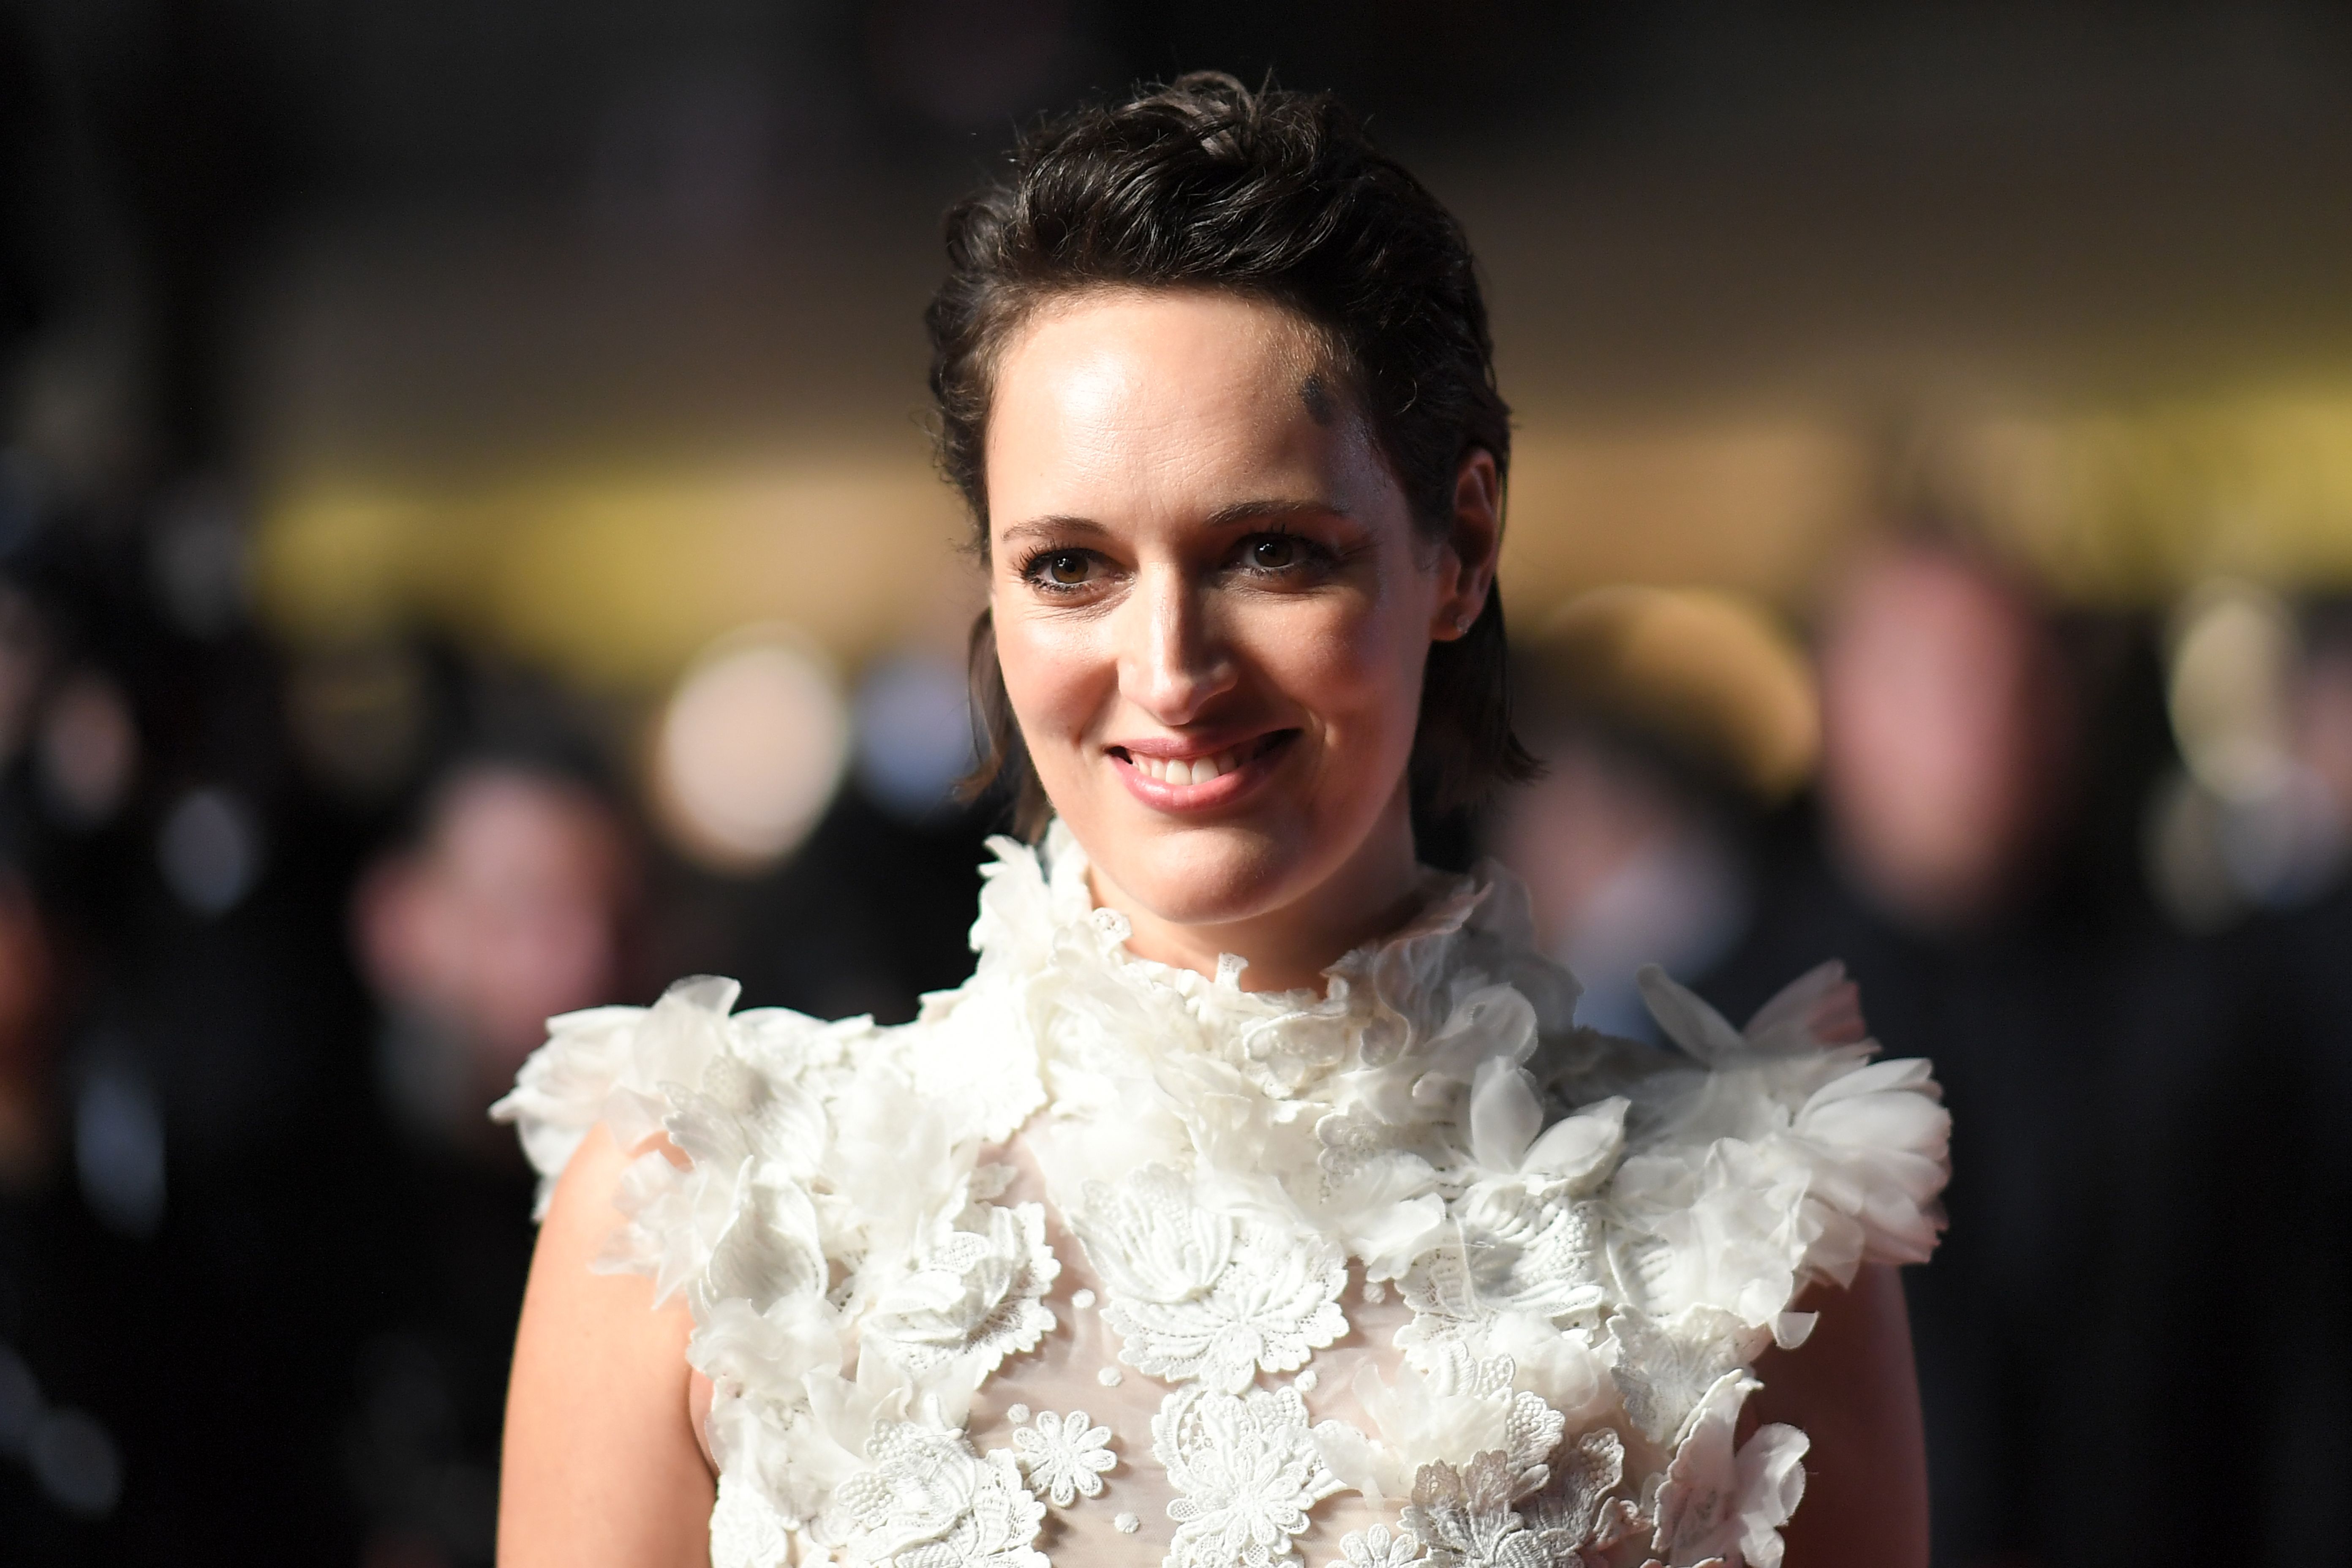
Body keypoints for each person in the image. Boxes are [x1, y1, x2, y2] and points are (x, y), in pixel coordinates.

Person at [493, 76, 1949, 1568]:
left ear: (1461, 548)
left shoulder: (1751, 1241)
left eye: (1269, 553)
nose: (1172, 671)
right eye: (1071, 567)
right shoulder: (711, 1211)